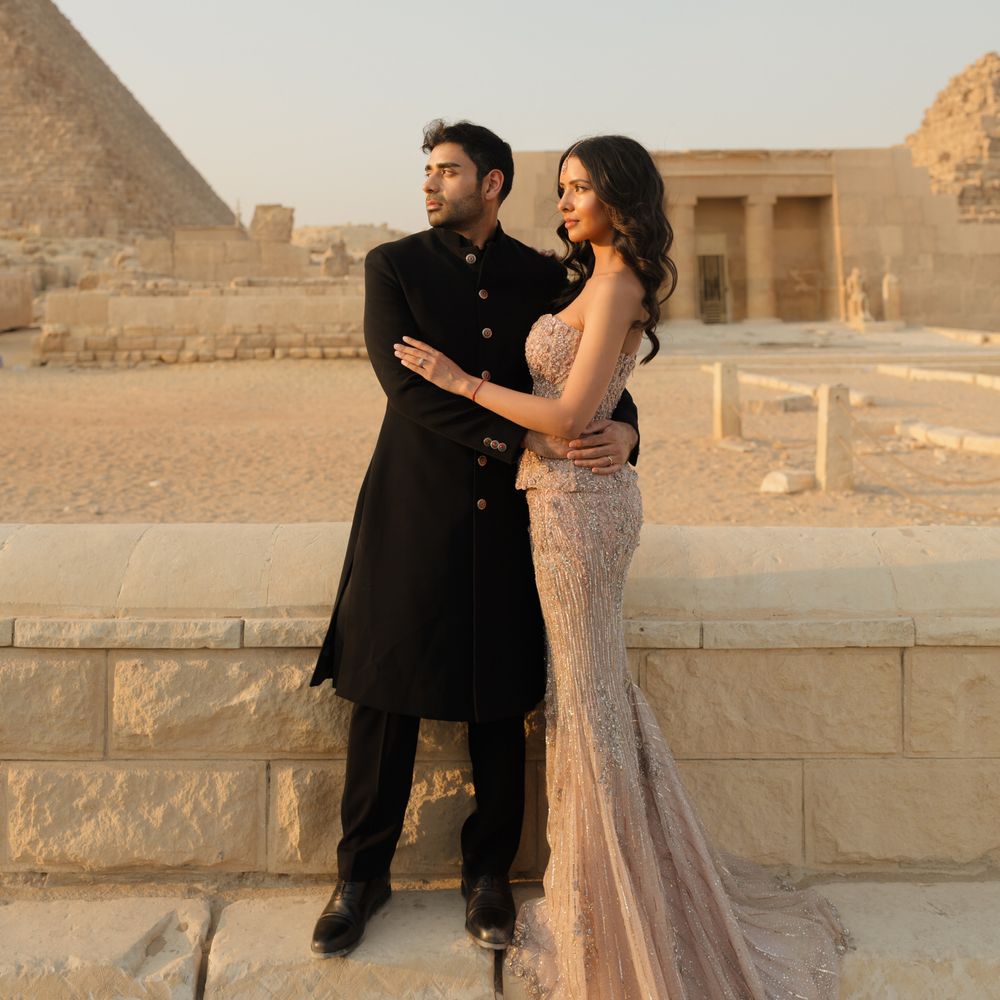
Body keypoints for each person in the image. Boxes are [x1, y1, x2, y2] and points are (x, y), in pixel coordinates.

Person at [395, 134, 850, 999]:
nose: (563, 204)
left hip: (580, 512)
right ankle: (604, 888)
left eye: (579, 190)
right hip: (563, 502)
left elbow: (569, 413)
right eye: (561, 188)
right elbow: (600, 403)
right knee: (588, 696)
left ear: (621, 199)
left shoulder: (619, 285)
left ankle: (615, 905)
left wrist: (460, 382)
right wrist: (624, 427)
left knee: (593, 703)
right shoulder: (589, 282)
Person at [308, 120, 641, 959]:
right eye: (426, 171)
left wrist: (630, 434)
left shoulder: (542, 273)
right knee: (384, 684)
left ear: (492, 183)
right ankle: (360, 876)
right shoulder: (394, 266)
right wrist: (521, 441)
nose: (430, 184)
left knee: (500, 691)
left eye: (447, 171)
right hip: (414, 502)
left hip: (514, 513)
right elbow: (402, 387)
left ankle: (489, 876)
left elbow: (586, 374)